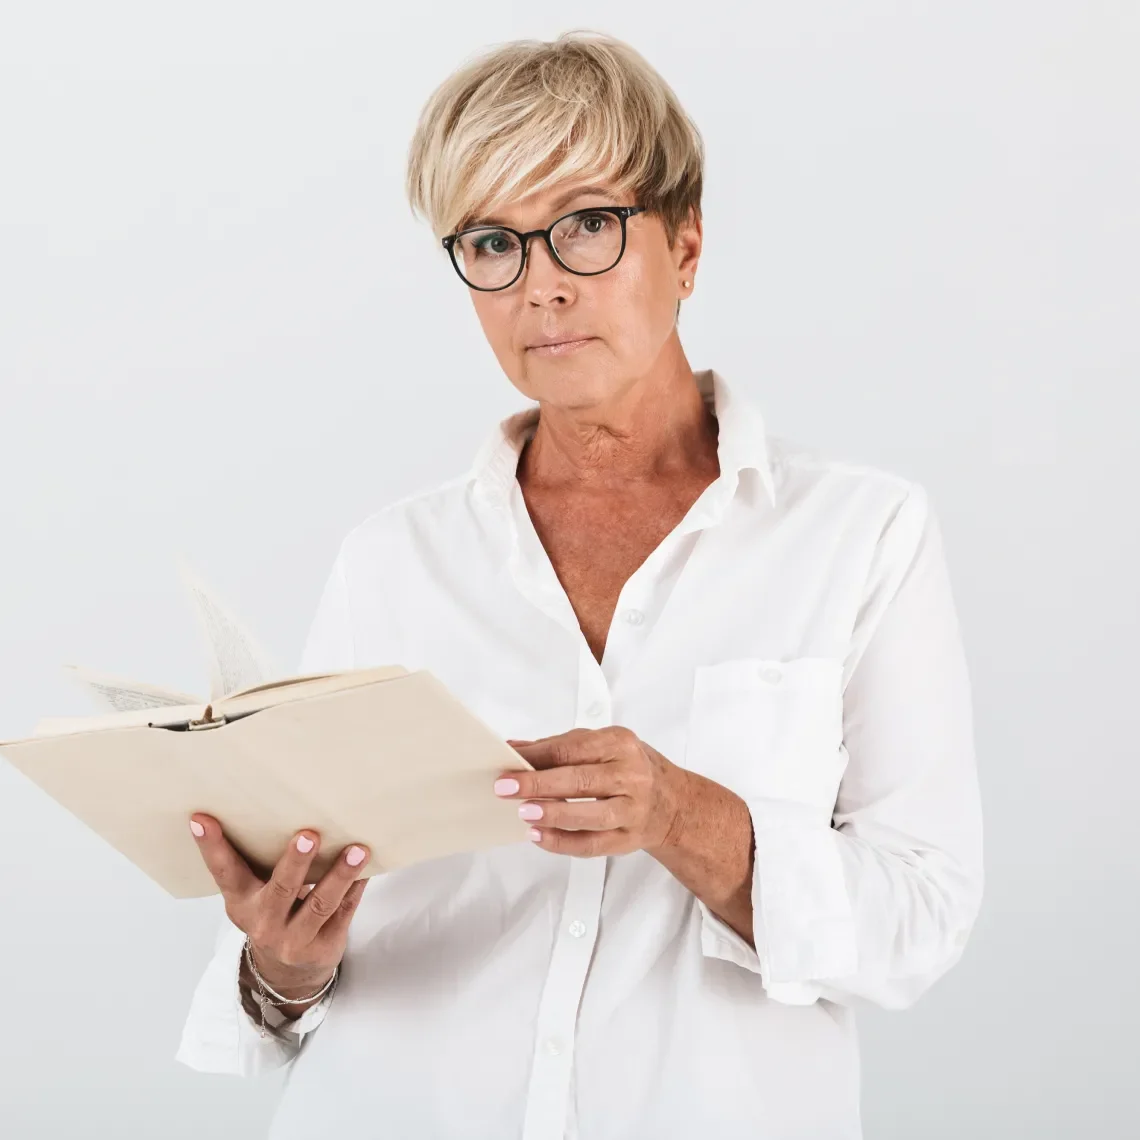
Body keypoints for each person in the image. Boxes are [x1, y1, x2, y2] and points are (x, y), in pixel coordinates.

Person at [175, 30, 983, 1140]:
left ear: (686, 246)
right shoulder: (393, 559)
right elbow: (292, 975)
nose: (542, 285)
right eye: (492, 242)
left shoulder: (860, 535)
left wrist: (684, 816)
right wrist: (281, 962)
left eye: (588, 225)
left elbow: (923, 919)